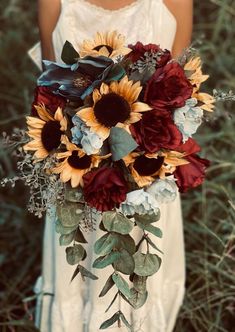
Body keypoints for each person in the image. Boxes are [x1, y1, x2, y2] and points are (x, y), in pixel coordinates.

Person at [29, 0, 193, 331]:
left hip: (148, 176)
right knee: (76, 271)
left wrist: (143, 148)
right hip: (73, 174)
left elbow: (180, 88)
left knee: (141, 276)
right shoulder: (53, 2)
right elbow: (50, 92)